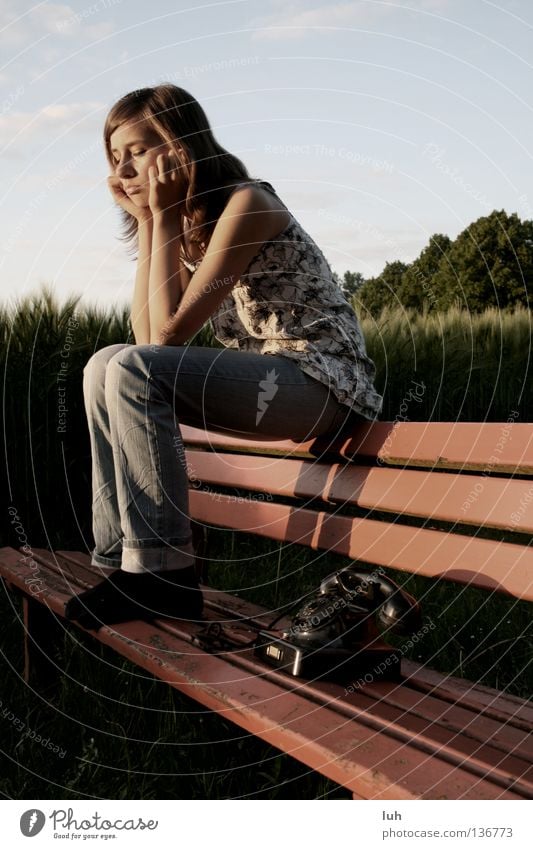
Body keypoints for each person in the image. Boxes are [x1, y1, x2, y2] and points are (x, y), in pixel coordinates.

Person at [65, 84, 383, 631]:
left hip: (322, 383)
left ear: (180, 144)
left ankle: (164, 574)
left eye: (138, 150)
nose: (124, 169)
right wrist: (151, 221)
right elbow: (146, 337)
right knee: (104, 366)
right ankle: (125, 563)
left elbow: (162, 344)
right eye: (115, 158)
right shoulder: (190, 227)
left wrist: (160, 217)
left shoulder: (247, 203)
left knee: (128, 366)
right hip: (275, 388)